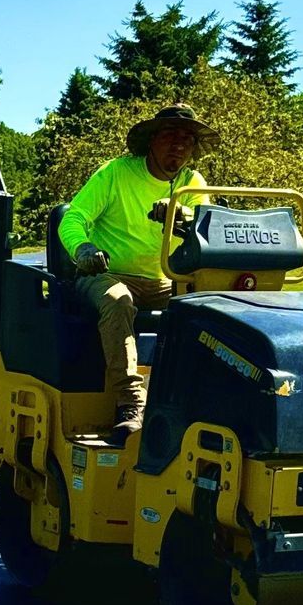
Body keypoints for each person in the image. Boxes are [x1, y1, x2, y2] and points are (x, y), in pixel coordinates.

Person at [57, 104, 211, 439]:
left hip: (163, 280)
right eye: (170, 135)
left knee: (211, 307)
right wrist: (83, 251)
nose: (179, 144)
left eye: (187, 138)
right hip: (104, 275)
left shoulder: (192, 182)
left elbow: (208, 230)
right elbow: (73, 218)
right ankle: (131, 404)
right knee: (118, 299)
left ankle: (199, 399)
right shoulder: (115, 173)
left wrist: (182, 214)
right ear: (151, 141)